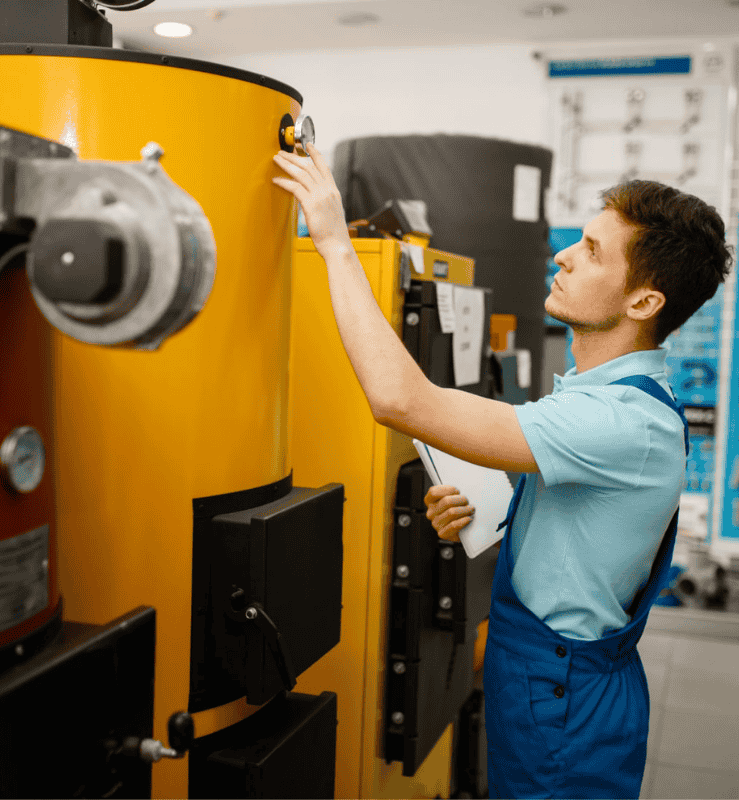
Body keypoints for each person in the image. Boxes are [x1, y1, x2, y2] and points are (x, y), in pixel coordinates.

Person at [272, 144, 732, 799]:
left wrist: (332, 243)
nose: (563, 255)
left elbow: (399, 399)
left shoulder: (621, 420)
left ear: (643, 301)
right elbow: (581, 517)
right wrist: (493, 510)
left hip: (564, 700)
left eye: (594, 251)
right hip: (545, 677)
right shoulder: (596, 395)